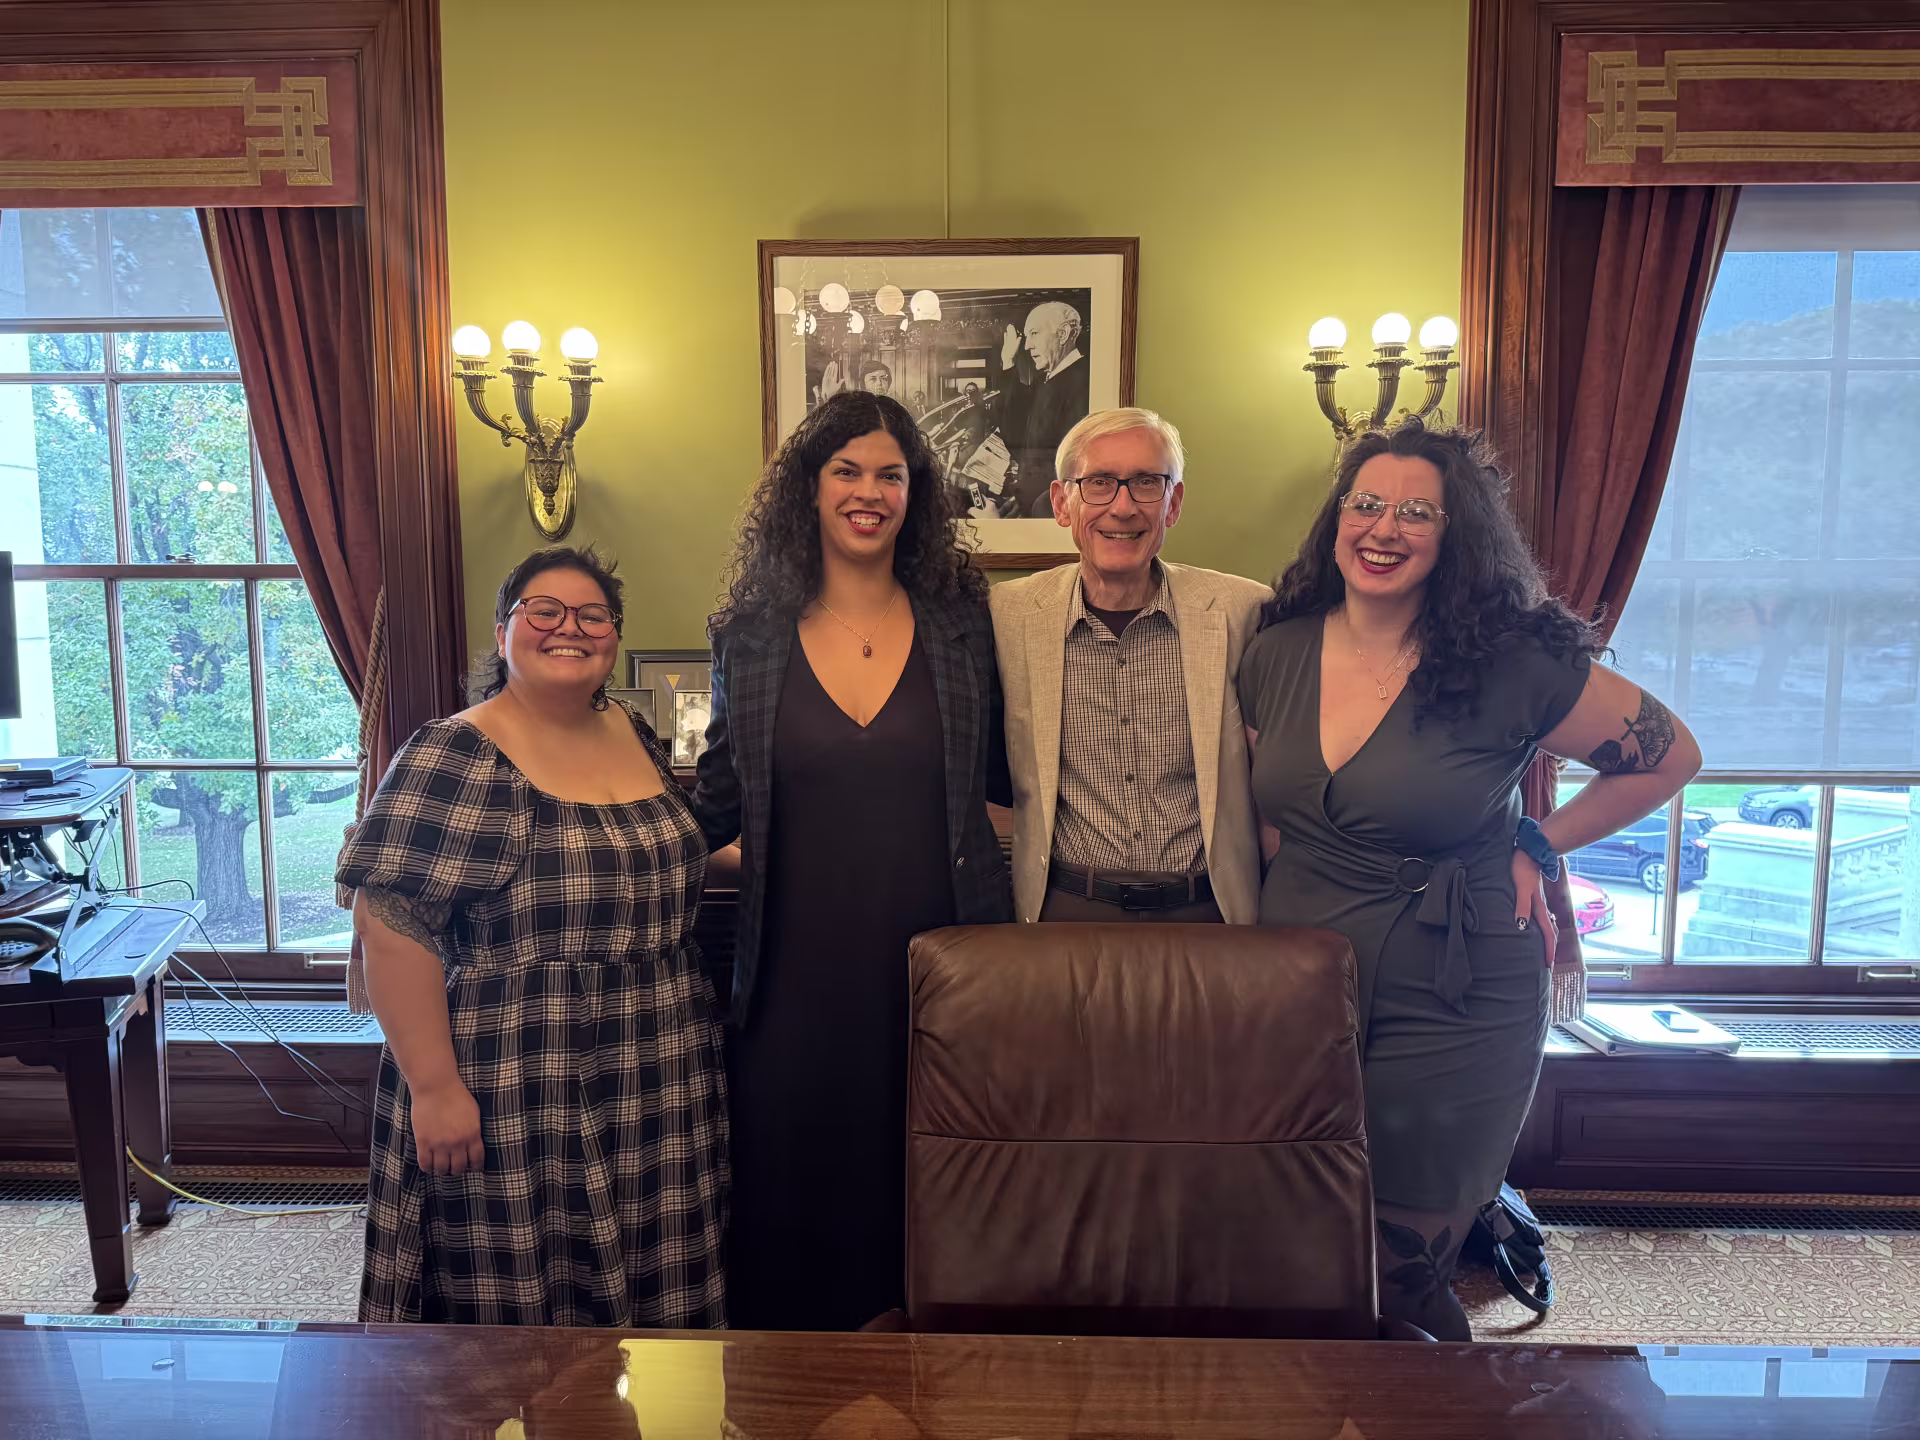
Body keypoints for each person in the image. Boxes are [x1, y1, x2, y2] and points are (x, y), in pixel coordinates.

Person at [1236, 417, 1701, 1340]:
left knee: (1399, 1272)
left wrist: (1538, 840)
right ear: (1337, 518)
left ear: (1457, 535)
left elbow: (1670, 756)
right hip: (1299, 983)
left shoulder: (1510, 660)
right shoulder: (1274, 651)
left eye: (1418, 512)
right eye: (1366, 503)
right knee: (1293, 1249)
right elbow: (1270, 823)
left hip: (1457, 979)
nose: (1384, 528)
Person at [336, 546, 727, 1327]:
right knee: (524, 1313)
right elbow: (391, 923)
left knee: (659, 1296)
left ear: (614, 636)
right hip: (519, 1072)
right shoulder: (455, 753)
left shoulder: (633, 730)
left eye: (592, 615)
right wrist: (435, 1088)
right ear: (503, 629)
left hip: (660, 1062)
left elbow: (669, 848)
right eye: (543, 610)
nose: (568, 628)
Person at [689, 389, 1013, 1331]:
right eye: (846, 471)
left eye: (890, 474)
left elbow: (1015, 771)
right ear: (809, 488)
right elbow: (715, 800)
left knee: (934, 1192)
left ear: (916, 495)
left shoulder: (964, 623)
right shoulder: (746, 636)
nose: (869, 492)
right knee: (793, 1213)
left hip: (942, 972)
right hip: (792, 979)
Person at [990, 407, 1267, 926]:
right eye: (1098, 483)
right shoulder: (1007, 615)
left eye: (1146, 483)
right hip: (1066, 913)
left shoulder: (1242, 611)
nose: (1122, 508)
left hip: (1209, 913)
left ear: (1174, 503)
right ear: (1061, 502)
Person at [995, 300, 1091, 516]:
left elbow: (1069, 467)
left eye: (1034, 333)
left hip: (1053, 511)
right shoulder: (1045, 381)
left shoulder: (1085, 383)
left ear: (1063, 334)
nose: (1027, 345)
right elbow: (1014, 436)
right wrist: (1008, 363)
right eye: (1026, 336)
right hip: (1034, 501)